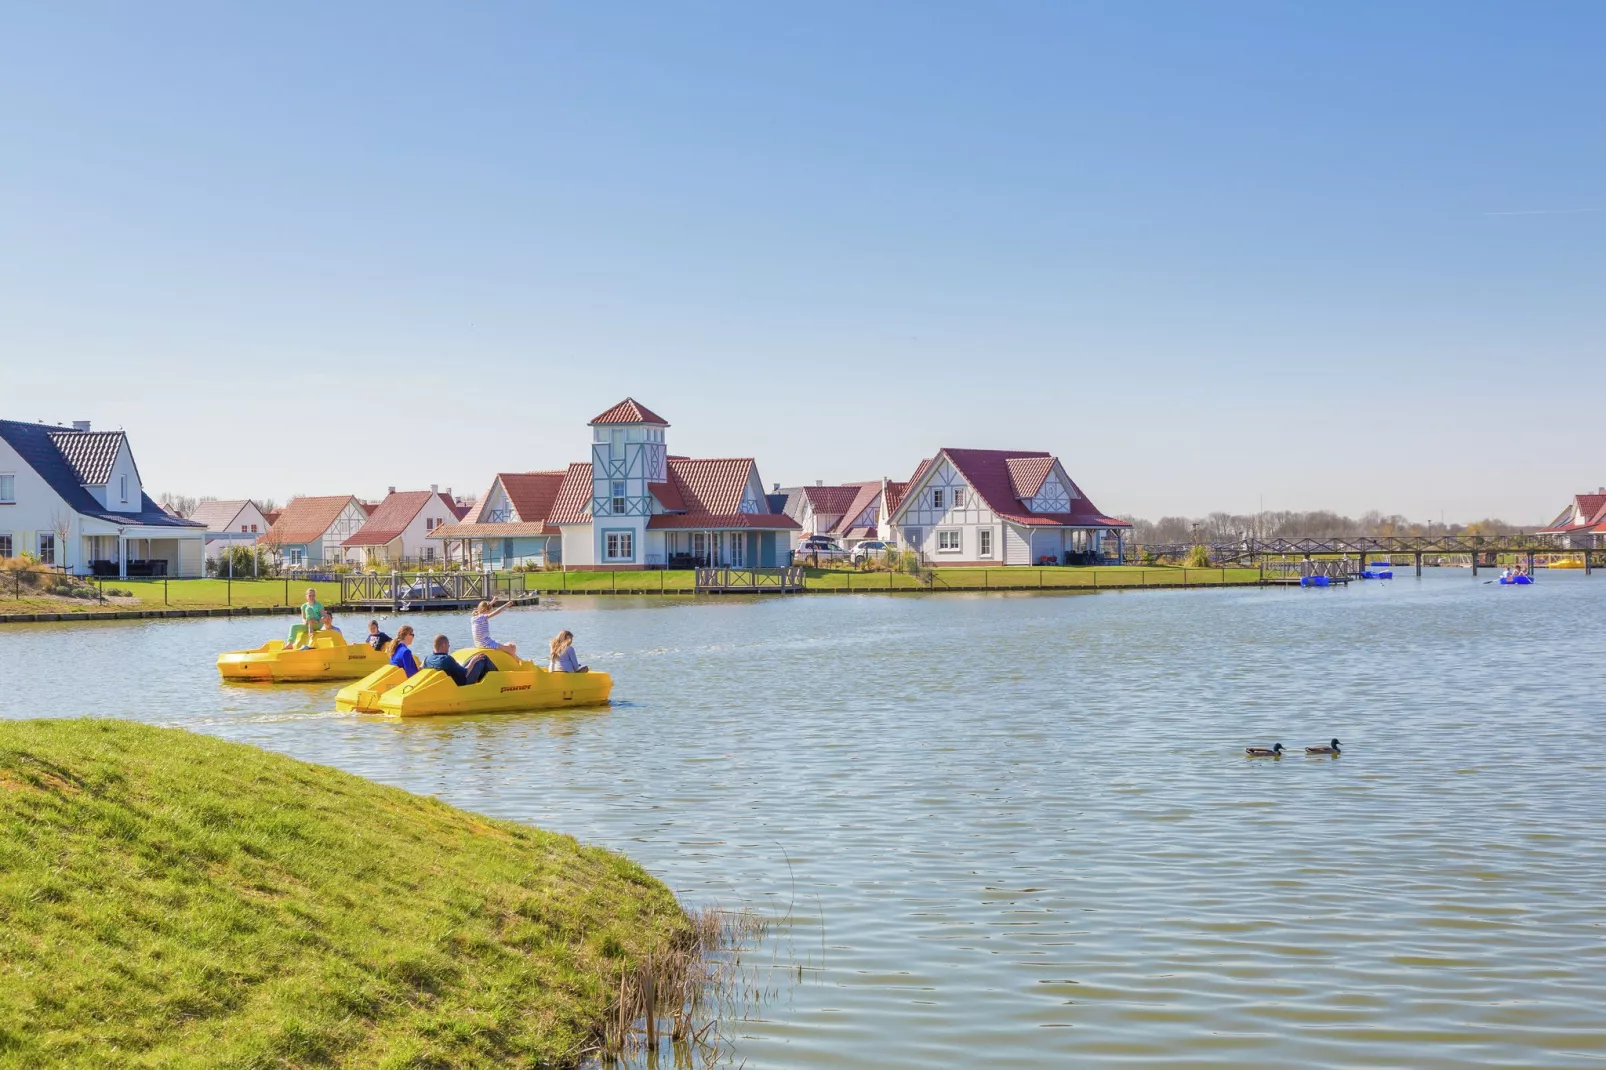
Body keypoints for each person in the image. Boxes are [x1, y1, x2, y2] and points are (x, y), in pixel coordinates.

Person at [422, 634, 496, 686]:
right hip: (460, 683)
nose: (449, 647)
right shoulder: (446, 659)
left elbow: (420, 668)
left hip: (447, 682)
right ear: (443, 645)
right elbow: (465, 673)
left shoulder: (427, 658)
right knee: (482, 658)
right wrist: (473, 661)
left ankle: (484, 680)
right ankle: (498, 682)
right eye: (448, 645)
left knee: (473, 658)